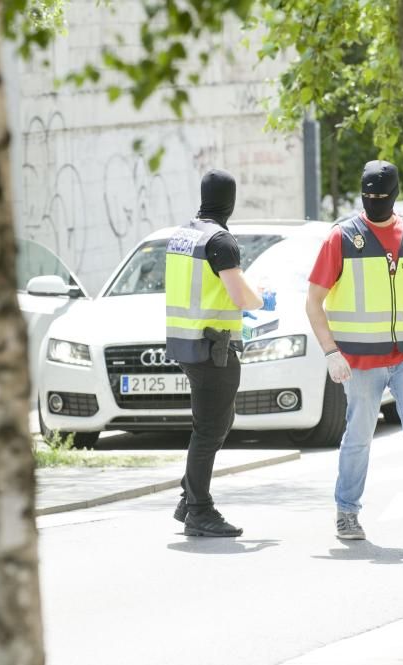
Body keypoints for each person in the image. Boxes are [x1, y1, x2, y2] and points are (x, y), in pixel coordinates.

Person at [305, 160, 403, 540]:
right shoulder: (341, 238)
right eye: (368, 197)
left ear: (395, 196)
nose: (375, 202)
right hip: (360, 361)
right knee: (359, 435)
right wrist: (329, 352)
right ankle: (346, 511)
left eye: (381, 197)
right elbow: (313, 302)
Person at [165, 169, 263, 537]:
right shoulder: (221, 241)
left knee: (209, 425)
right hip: (212, 347)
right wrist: (261, 298)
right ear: (231, 201)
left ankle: (189, 497)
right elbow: (241, 296)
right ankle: (199, 511)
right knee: (211, 429)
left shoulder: (183, 235)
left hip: (187, 343)